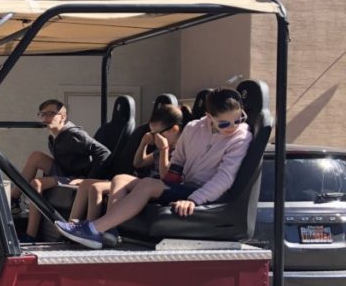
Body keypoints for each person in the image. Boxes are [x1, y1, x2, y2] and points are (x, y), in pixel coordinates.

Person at [55, 88, 251, 250]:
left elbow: (225, 178)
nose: (233, 126)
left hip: (203, 192)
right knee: (121, 179)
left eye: (239, 119)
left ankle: (95, 228)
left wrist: (194, 199)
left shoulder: (241, 137)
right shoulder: (193, 128)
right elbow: (179, 159)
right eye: (224, 123)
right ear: (209, 117)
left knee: (148, 185)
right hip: (184, 185)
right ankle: (110, 231)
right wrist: (169, 184)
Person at [12, 99, 111, 241]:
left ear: (63, 117)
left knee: (36, 184)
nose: (46, 118)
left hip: (76, 176)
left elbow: (103, 152)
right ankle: (14, 198)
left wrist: (89, 178)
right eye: (43, 114)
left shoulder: (74, 135)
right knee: (36, 156)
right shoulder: (56, 136)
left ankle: (31, 235)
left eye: (51, 114)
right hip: (65, 171)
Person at [68, 104, 183, 222]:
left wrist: (164, 150)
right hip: (141, 182)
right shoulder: (160, 151)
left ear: (174, 129)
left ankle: (92, 227)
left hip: (155, 188)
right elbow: (138, 163)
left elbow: (166, 178)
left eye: (157, 134)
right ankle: (72, 224)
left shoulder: (178, 151)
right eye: (152, 134)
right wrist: (143, 143)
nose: (154, 138)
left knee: (96, 188)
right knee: (85, 184)